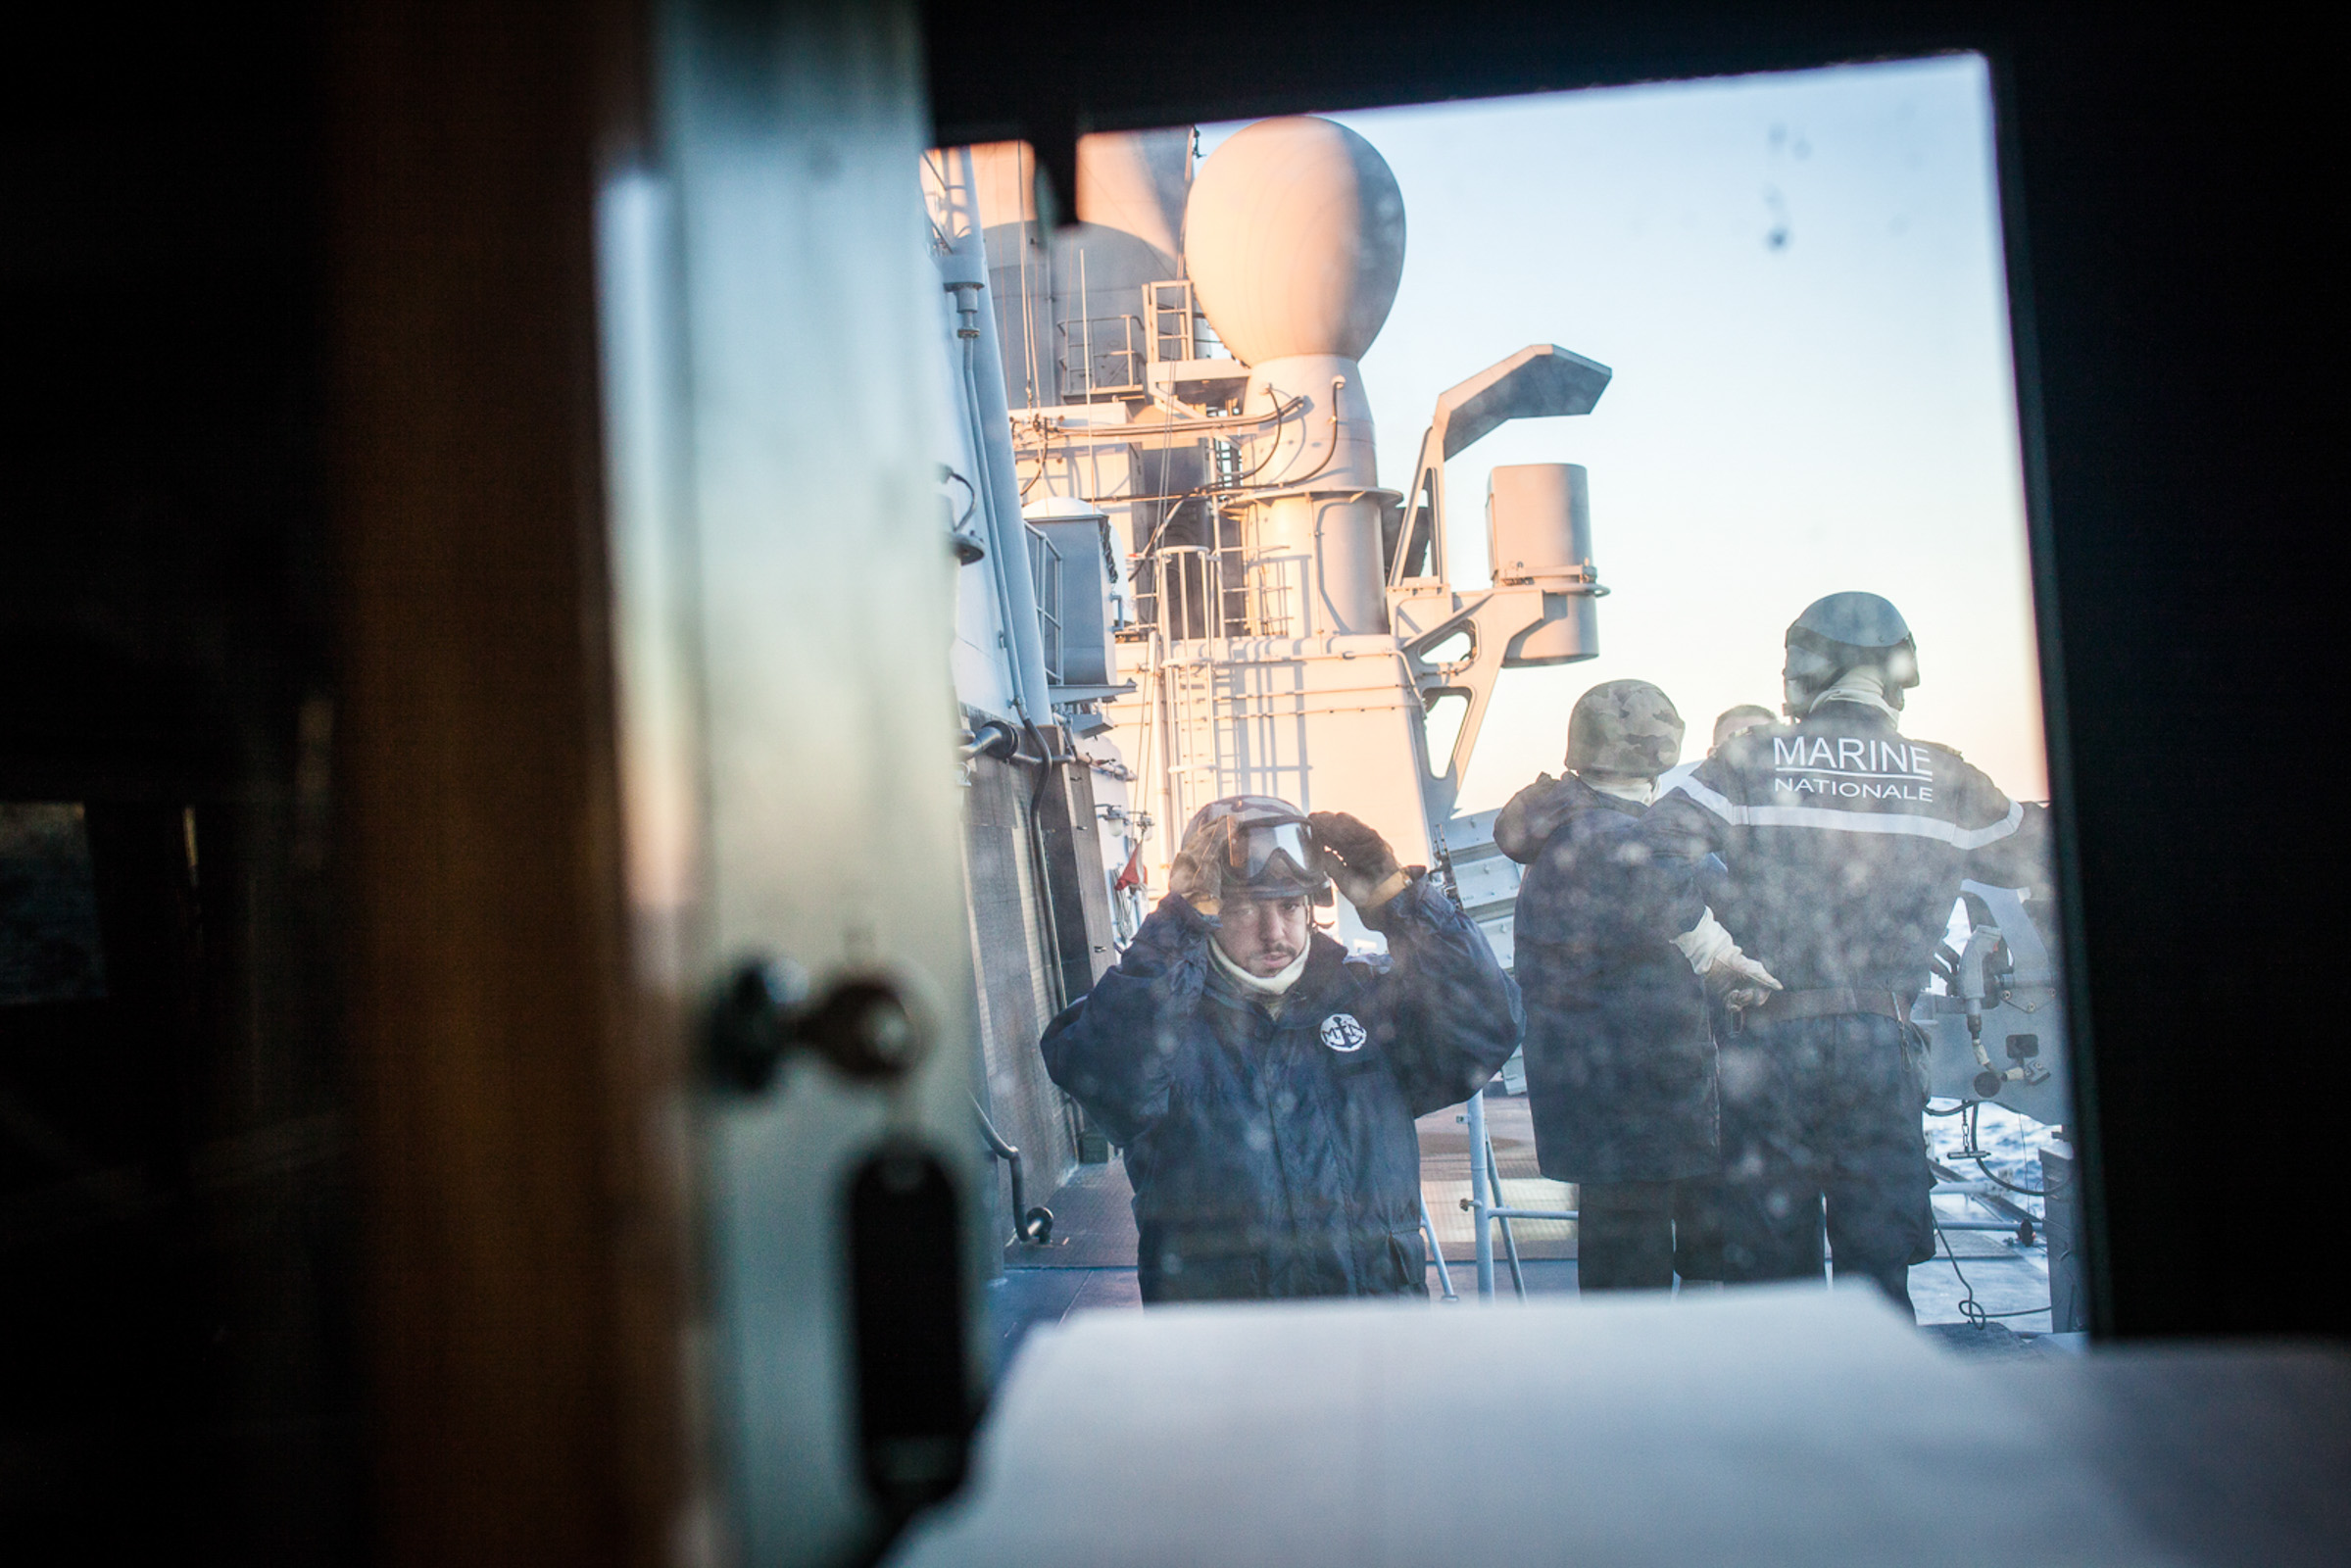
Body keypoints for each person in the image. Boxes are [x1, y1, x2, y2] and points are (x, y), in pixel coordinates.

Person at [1641, 592, 2050, 1315]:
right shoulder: (1947, 777)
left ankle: (1787, 1415)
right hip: (1881, 1044)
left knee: (1769, 1267)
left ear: (1804, 667)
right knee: (1878, 1260)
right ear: (1897, 674)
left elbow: (1642, 857)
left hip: (1766, 1042)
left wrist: (1713, 954)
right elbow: (2036, 857)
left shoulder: (1747, 761)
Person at [1041, 796, 1522, 1302]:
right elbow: (1112, 1085)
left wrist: (1402, 903)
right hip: (1225, 1355)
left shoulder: (1369, 1003)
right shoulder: (1156, 1016)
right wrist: (1173, 930)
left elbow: (1489, 1027)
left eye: (1290, 906)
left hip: (1377, 1335)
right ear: (1206, 910)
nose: (1274, 934)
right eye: (1244, 909)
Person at [1497, 680, 1761, 1291]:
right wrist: (1726, 960)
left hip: (1604, 1099)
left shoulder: (1568, 829)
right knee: (1659, 1276)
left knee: (1625, 1271)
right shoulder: (1616, 838)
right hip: (1647, 1098)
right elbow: (1671, 900)